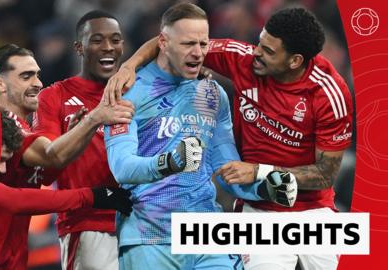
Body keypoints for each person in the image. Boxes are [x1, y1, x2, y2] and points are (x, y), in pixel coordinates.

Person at [104, 6, 353, 270]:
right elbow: (123, 168)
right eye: (260, 42)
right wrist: (129, 65)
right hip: (153, 232)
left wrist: (262, 179)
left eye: (268, 51)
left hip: (302, 212)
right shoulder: (130, 92)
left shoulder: (214, 95)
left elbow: (324, 174)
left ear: (295, 61)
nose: (256, 52)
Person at [0, 111, 133, 269]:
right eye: (0, 158)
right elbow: (14, 201)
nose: (3, 169)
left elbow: (45, 176)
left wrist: (68, 143)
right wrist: (91, 195)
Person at [31, 10, 130, 270]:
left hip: (144, 224)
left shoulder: (140, 92)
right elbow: (45, 173)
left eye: (115, 39)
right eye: (97, 40)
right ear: (79, 47)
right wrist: (84, 128)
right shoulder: (54, 96)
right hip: (88, 224)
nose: (108, 47)